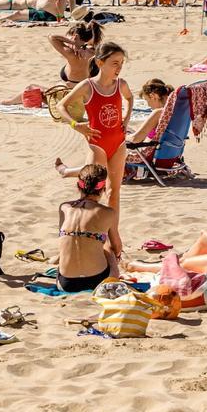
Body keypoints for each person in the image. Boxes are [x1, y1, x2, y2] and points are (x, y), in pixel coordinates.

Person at [56, 43, 133, 256]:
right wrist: (76, 125)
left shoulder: (121, 84)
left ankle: (113, 237)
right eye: (114, 63)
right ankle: (82, 234)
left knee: (114, 192)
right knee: (90, 193)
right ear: (100, 62)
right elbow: (61, 105)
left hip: (118, 143)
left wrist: (126, 119)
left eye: (121, 63)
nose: (119, 68)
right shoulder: (87, 86)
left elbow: (129, 98)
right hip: (97, 144)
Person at [56, 164, 120, 291]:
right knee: (108, 247)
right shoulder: (108, 212)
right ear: (103, 188)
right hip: (98, 281)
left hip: (66, 284)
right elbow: (117, 246)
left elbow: (62, 241)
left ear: (78, 186)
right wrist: (113, 257)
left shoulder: (64, 208)